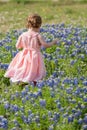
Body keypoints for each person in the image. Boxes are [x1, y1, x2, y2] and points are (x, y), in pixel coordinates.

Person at [4, 14, 57, 86]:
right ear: (39, 25)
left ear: (28, 24)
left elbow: (17, 46)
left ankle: (18, 81)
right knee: (33, 70)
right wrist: (53, 43)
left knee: (23, 68)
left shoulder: (23, 35)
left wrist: (25, 46)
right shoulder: (38, 35)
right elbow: (45, 45)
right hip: (35, 56)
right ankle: (32, 83)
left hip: (24, 55)